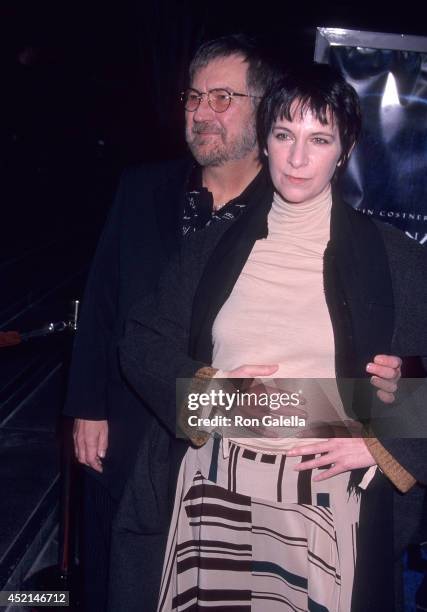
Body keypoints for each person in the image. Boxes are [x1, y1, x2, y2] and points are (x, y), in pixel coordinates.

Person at [63, 35, 400, 610]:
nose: (297, 157)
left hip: (323, 503)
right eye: (284, 136)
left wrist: (385, 440)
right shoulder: (218, 244)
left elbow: (404, 393)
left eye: (318, 139)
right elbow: (135, 337)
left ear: (344, 151)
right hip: (214, 487)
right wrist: (213, 397)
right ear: (267, 141)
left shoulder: (393, 256)